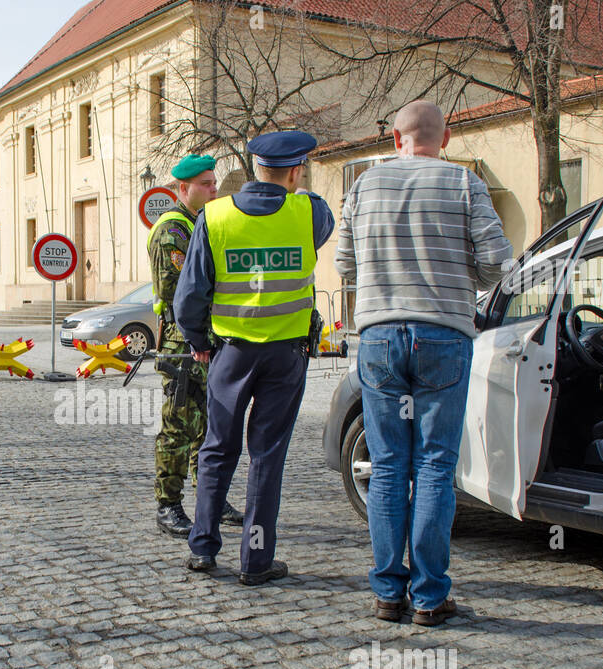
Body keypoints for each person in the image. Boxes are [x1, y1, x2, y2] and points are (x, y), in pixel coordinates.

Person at [334, 99, 514, 626]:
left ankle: (389, 592)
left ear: (395, 139)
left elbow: (345, 263)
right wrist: (463, 281)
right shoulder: (464, 184)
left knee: (388, 465)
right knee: (436, 464)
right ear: (447, 137)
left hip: (380, 336)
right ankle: (431, 597)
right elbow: (497, 261)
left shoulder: (364, 186)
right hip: (443, 335)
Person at [173, 130, 334, 586]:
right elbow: (317, 224)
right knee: (267, 456)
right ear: (297, 170)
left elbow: (190, 297)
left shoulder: (215, 216)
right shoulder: (308, 212)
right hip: (285, 355)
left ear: (253, 165)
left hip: (230, 354)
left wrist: (198, 339)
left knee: (217, 449)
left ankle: (203, 548)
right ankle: (257, 560)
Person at [148, 153, 243, 538]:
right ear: (183, 189)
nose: (213, 188)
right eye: (205, 183)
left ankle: (211, 499)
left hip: (205, 341)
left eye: (213, 182)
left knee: (206, 427)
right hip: (182, 344)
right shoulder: (173, 230)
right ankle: (167, 505)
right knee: (177, 425)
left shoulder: (200, 223)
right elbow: (178, 292)